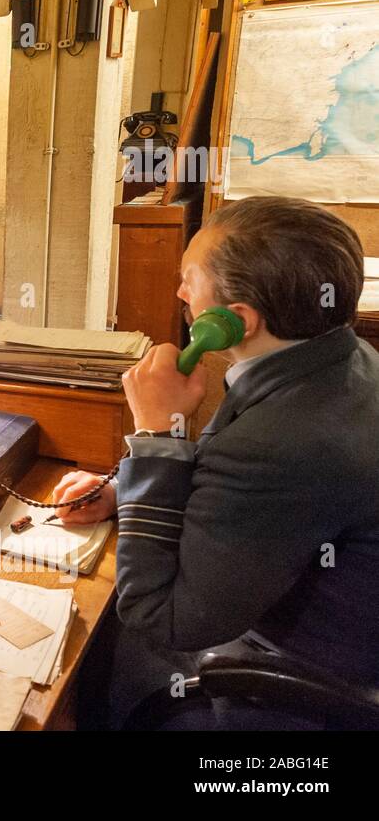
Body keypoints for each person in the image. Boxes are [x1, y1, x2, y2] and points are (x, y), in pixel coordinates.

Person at [52, 196, 379, 729]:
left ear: (237, 320)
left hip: (299, 681)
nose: (180, 292)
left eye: (190, 280)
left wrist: (155, 435)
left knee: (87, 652)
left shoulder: (282, 442)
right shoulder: (334, 360)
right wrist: (126, 490)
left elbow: (165, 620)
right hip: (312, 618)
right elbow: (234, 482)